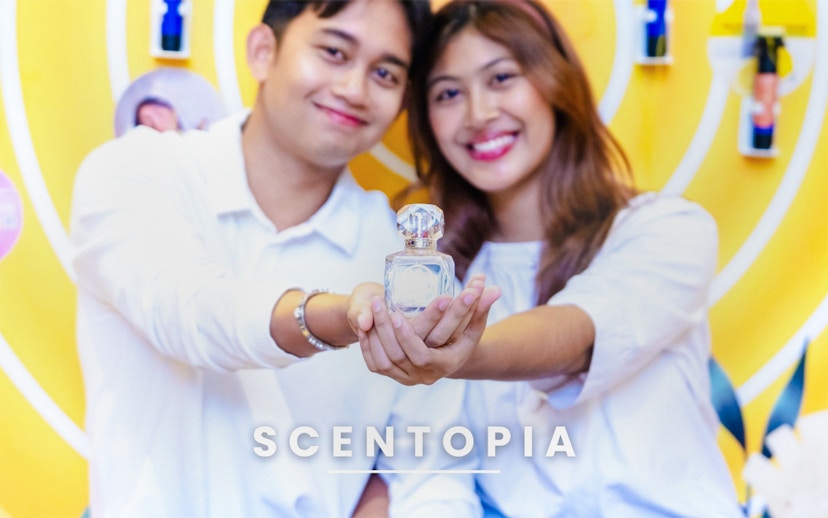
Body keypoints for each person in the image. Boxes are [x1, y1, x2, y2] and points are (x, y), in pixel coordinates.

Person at [70, 1, 495, 516]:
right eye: (334, 52)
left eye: (384, 73)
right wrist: (339, 317)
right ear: (262, 51)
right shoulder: (135, 173)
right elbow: (191, 311)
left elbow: (432, 474)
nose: (354, 89)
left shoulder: (405, 264)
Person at [358, 1, 744, 515]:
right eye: (448, 93)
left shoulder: (667, 229)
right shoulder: (432, 273)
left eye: (501, 78)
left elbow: (579, 333)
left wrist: (460, 354)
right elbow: (429, 470)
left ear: (556, 82)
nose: (478, 114)